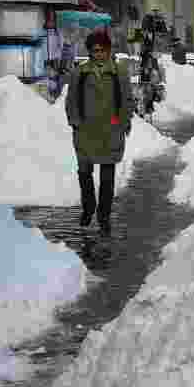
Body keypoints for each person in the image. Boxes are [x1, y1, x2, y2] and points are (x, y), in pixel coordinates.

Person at [65, 29, 134, 236]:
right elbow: (71, 100)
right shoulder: (81, 71)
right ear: (89, 52)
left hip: (110, 130)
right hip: (85, 130)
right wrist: (75, 122)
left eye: (102, 50)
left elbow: (127, 100)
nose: (99, 54)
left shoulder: (119, 71)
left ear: (109, 50)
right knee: (84, 172)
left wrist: (122, 122)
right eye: (94, 51)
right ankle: (88, 208)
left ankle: (104, 214)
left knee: (107, 175)